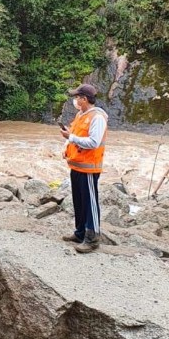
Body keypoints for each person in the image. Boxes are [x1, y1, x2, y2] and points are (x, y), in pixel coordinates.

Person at [60, 84, 108, 254]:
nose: (75, 100)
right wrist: (68, 140)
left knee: (90, 202)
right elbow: (76, 136)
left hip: (89, 168)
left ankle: (93, 238)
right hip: (77, 165)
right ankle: (80, 233)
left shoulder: (97, 117)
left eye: (77, 97)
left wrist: (71, 137)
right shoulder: (81, 115)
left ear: (84, 99)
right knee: (79, 201)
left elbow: (94, 142)